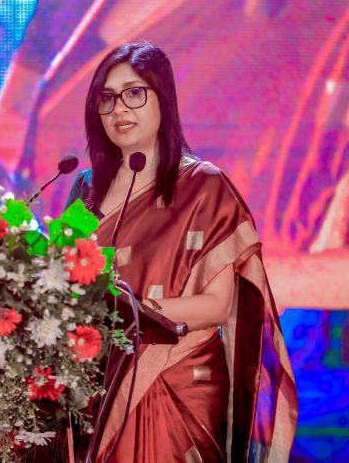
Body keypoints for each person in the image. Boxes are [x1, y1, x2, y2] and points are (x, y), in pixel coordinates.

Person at [64, 42, 298, 462]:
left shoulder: (204, 186)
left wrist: (135, 312)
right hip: (98, 385)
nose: (119, 109)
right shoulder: (86, 189)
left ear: (163, 99)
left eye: (134, 93)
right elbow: (62, 281)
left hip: (180, 383)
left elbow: (216, 305)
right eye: (107, 98)